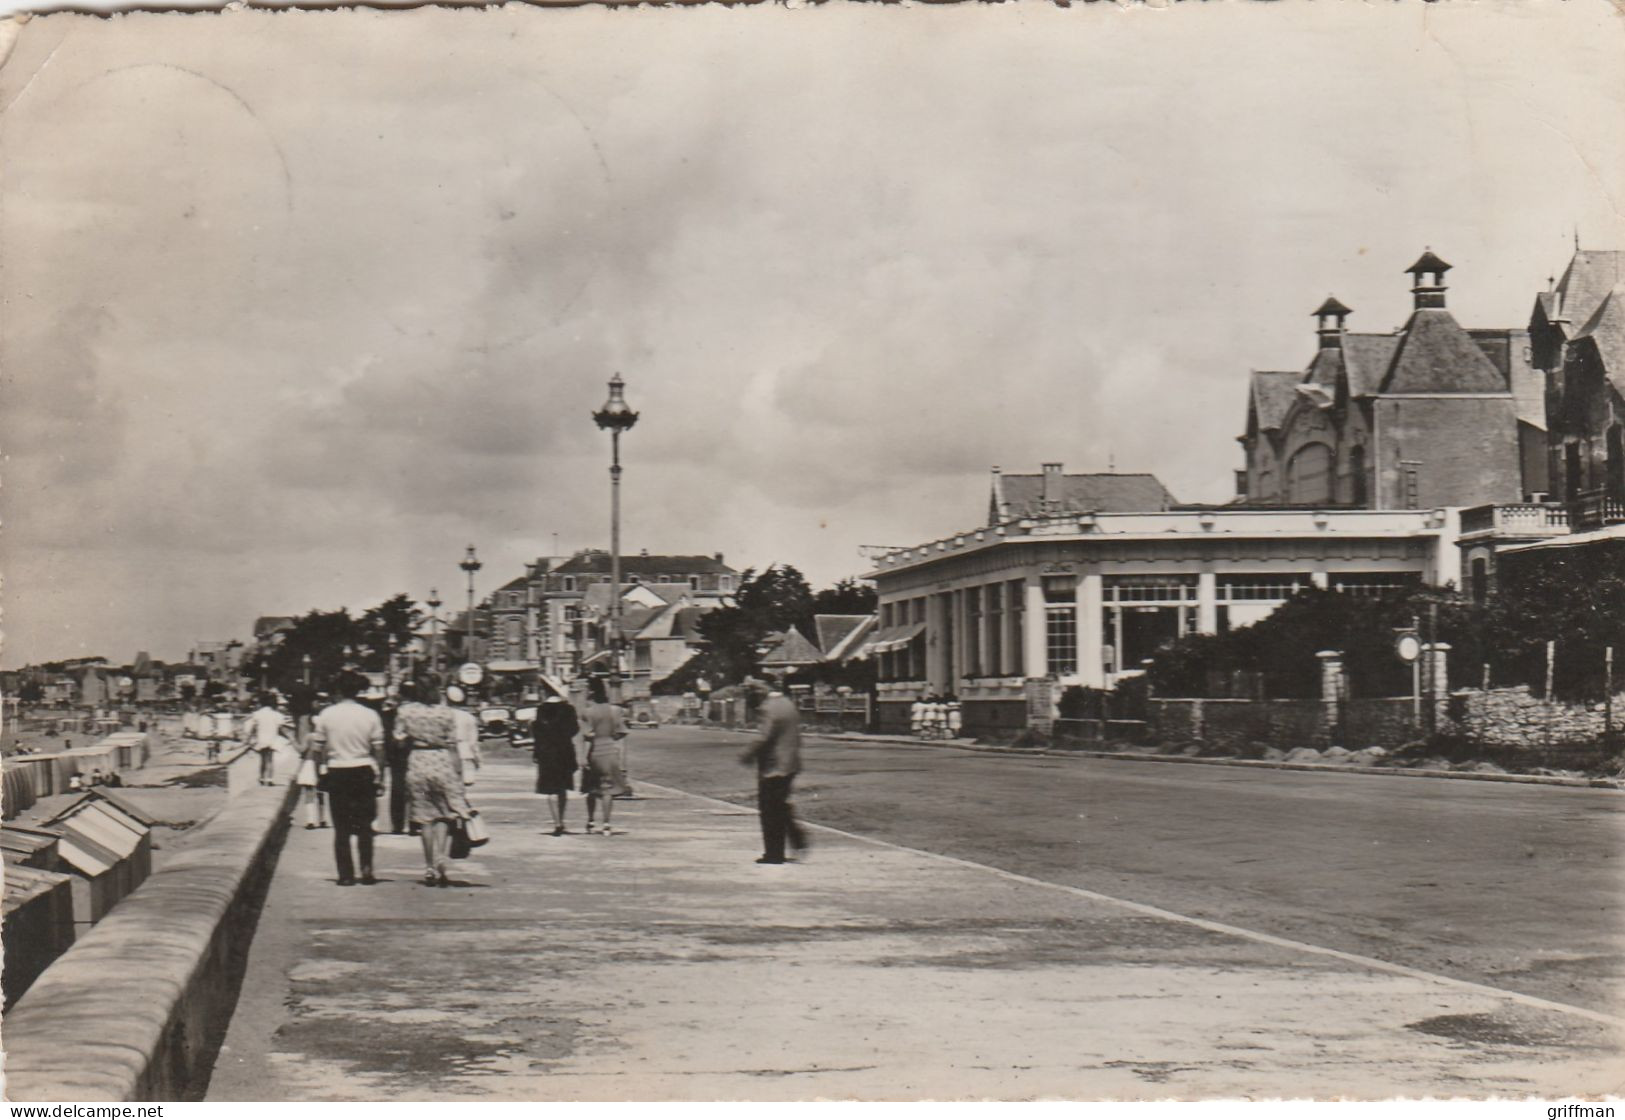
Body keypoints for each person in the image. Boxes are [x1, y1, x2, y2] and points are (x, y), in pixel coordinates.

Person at [307, 671, 385, 886]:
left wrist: (318, 774)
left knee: (341, 827)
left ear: (339, 690)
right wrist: (380, 777)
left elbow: (317, 750)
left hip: (337, 772)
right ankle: (367, 870)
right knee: (365, 825)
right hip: (363, 771)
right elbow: (379, 750)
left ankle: (346, 874)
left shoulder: (326, 715)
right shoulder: (370, 715)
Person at [395, 680, 474, 886]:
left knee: (424, 818)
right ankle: (441, 856)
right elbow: (452, 744)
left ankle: (429, 866)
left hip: (418, 763)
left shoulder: (406, 712)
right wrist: (458, 773)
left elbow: (399, 740)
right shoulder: (447, 713)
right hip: (442, 762)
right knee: (444, 815)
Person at [739, 681, 807, 865]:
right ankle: (796, 836)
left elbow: (764, 737)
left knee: (769, 811)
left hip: (773, 767)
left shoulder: (768, 708)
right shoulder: (788, 704)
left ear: (759, 693)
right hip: (791, 764)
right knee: (780, 805)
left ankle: (774, 854)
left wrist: (748, 754)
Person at [580, 681, 627, 835]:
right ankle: (606, 824)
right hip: (610, 751)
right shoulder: (616, 710)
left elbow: (587, 735)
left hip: (595, 751)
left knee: (591, 789)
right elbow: (621, 733)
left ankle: (591, 821)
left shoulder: (587, 712)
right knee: (607, 789)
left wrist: (583, 757)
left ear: (592, 694)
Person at [532, 695, 579, 835]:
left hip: (546, 754)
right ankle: (562, 820)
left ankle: (557, 823)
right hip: (564, 753)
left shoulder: (541, 711)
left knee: (550, 789)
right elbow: (574, 730)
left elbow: (537, 735)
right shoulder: (568, 710)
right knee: (562, 788)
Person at [243, 693, 288, 785]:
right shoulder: (277, 715)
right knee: (270, 759)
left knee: (263, 759)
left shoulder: (257, 714)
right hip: (272, 739)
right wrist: (287, 737)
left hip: (262, 739)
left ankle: (262, 778)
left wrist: (249, 738)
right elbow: (281, 728)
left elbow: (253, 728)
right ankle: (270, 779)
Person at [447, 686, 482, 787]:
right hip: (465, 753)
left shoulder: (442, 714)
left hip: (446, 753)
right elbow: (473, 741)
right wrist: (477, 758)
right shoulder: (469, 717)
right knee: (461, 786)